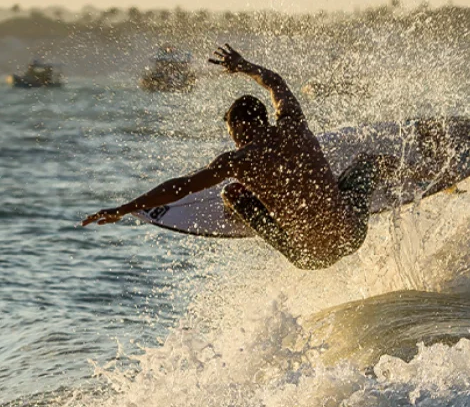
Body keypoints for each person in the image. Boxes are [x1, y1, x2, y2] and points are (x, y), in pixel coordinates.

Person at [82, 45, 396, 270]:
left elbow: (180, 188)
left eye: (232, 131)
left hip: (308, 257)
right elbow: (276, 83)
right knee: (369, 162)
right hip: (350, 236)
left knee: (231, 192)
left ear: (239, 126)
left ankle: (240, 206)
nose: (232, 138)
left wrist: (125, 208)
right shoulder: (294, 126)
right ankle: (406, 171)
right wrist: (243, 65)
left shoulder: (236, 161)